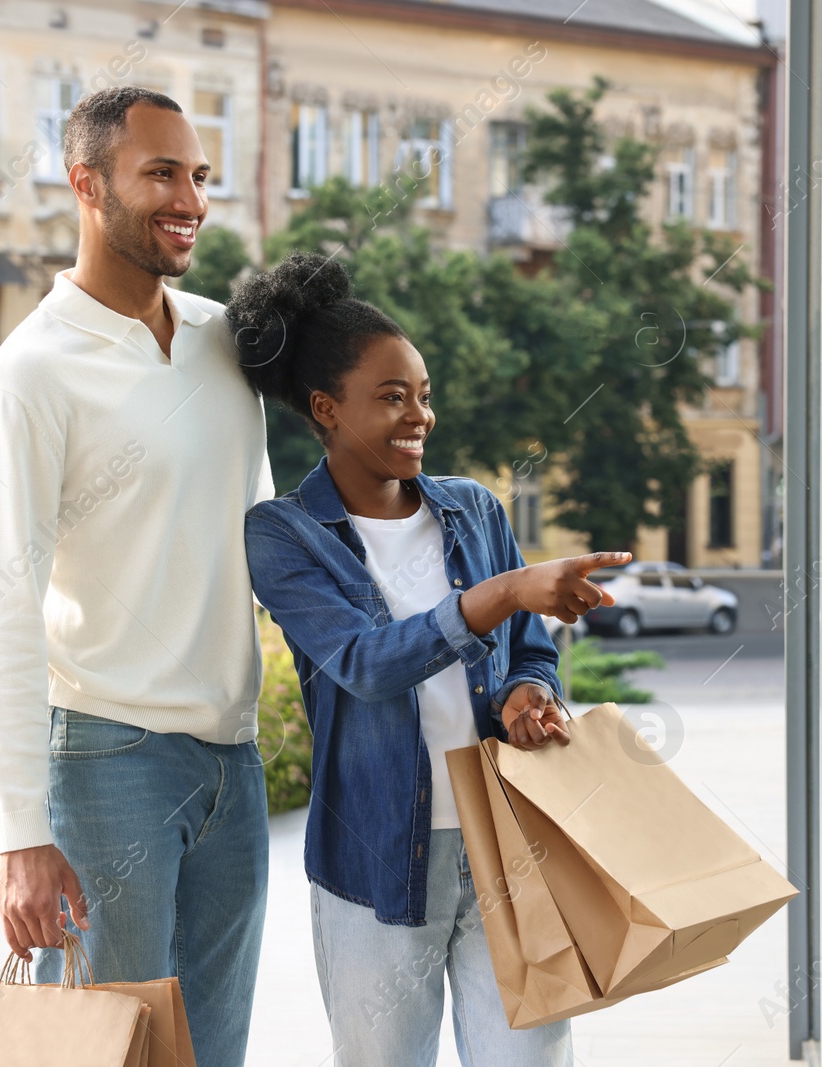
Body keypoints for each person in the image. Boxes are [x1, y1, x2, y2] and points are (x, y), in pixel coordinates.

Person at [231, 251, 631, 1066]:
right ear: (325, 408)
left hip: (510, 847)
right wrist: (507, 592)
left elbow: (530, 651)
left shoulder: (474, 509)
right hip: (376, 862)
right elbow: (365, 662)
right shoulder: (284, 534)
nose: (420, 414)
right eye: (391, 397)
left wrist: (527, 690)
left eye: (423, 394)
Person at [0, 85, 273, 1066]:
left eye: (198, 175)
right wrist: (20, 834)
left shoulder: (228, 342)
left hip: (235, 760)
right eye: (162, 173)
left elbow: (267, 539)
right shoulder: (29, 377)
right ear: (86, 182)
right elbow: (0, 610)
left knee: (211, 1050)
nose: (190, 198)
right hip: (107, 763)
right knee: (104, 1048)